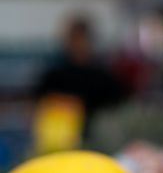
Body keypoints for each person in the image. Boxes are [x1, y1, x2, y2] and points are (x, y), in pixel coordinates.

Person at [33, 15, 126, 148]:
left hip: (98, 141)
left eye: (80, 38)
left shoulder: (104, 76)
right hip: (62, 141)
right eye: (73, 38)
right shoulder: (54, 75)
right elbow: (40, 104)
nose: (76, 43)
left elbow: (117, 108)